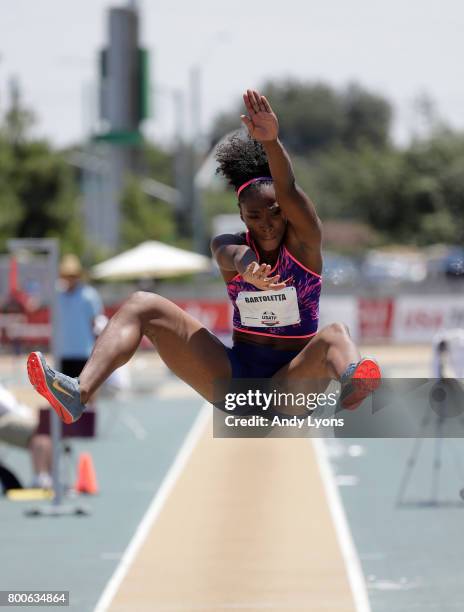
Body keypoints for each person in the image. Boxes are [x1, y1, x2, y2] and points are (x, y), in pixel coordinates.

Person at [26, 88, 381, 425]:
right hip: (237, 383)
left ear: (285, 211)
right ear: (242, 216)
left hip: (292, 385)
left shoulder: (304, 243)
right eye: (254, 217)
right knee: (140, 304)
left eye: (274, 212)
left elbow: (286, 189)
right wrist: (249, 269)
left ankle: (353, 383)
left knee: (335, 333)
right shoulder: (227, 243)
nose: (267, 224)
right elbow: (233, 255)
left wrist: (271, 142)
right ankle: (79, 391)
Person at [56, 254, 103, 379]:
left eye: (72, 275)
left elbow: (95, 324)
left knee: (87, 391)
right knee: (66, 394)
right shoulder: (58, 295)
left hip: (85, 351)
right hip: (65, 352)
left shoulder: (89, 295)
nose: (70, 279)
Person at [0, 382, 53, 489]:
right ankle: (41, 477)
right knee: (39, 429)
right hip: (6, 419)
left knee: (45, 429)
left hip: (18, 416)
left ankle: (48, 476)